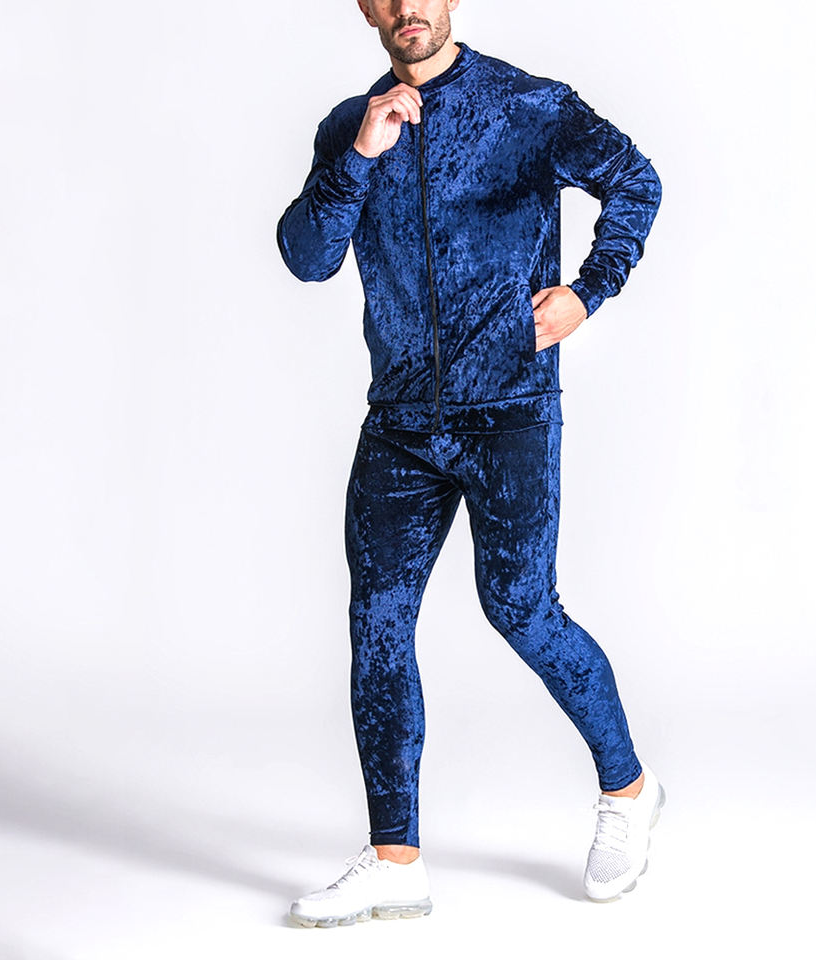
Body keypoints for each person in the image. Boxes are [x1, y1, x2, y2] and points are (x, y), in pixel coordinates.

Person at [277, 0, 665, 927]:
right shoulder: (351, 124)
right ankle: (395, 860)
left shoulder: (529, 105)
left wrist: (588, 292)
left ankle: (629, 790)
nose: (407, 8)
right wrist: (359, 155)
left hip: (510, 413)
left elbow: (636, 180)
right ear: (365, 8)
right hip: (400, 423)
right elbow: (306, 257)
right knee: (377, 625)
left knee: (522, 609)